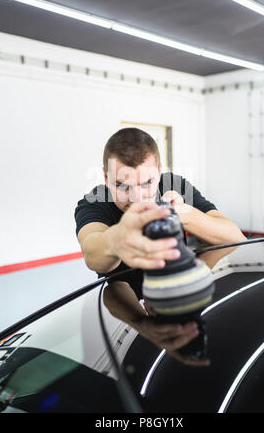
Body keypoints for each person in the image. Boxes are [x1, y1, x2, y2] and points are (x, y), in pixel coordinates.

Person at [74, 128, 246, 365]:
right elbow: (92, 250)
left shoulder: (175, 185)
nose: (136, 197)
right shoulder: (95, 201)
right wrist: (115, 240)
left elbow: (234, 235)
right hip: (120, 323)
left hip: (177, 301)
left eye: (146, 183)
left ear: (159, 171)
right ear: (105, 178)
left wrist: (184, 215)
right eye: (122, 186)